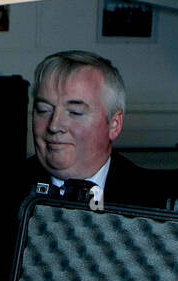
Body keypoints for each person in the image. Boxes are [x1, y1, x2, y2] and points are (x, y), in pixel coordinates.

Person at [26, 50, 158, 206]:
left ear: (114, 124)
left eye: (75, 113)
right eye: (43, 110)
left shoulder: (153, 199)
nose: (54, 126)